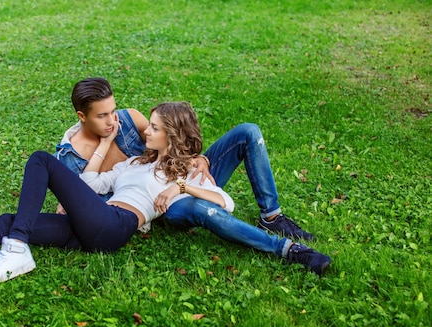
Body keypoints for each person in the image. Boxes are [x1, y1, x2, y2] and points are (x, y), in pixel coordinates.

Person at [0, 102, 235, 292]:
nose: (146, 130)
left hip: (115, 227)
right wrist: (105, 144)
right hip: (94, 222)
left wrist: (184, 187)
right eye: (149, 124)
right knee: (8, 222)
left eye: (154, 127)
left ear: (172, 133)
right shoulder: (135, 163)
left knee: (41, 161)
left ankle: (16, 251)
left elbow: (224, 203)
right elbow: (91, 185)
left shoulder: (186, 169)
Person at [54, 77, 329, 274]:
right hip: (157, 201)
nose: (114, 121)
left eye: (113, 111)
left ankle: (272, 217)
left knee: (248, 131)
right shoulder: (71, 156)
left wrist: (200, 159)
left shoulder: (128, 119)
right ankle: (286, 249)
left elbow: (168, 137)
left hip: (180, 175)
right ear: (82, 116)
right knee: (199, 207)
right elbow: (74, 201)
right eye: (103, 115)